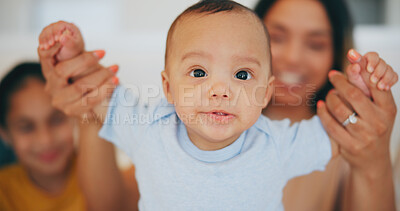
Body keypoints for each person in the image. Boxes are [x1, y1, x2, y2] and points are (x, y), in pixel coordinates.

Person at [36, 0, 397, 210]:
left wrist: (365, 87)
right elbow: (94, 91)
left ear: (265, 85)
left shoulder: (282, 143)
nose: (220, 90)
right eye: (198, 71)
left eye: (241, 74)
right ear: (167, 87)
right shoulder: (152, 126)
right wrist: (70, 56)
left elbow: (350, 128)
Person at [254, 0, 398, 210]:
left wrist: (374, 160)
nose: (292, 57)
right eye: (275, 38)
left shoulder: (349, 149)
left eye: (315, 44)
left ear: (336, 53)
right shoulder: (205, 127)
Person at [0, 62, 85, 211]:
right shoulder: (4, 192)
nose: (46, 140)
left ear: (75, 115)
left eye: (57, 119)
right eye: (26, 127)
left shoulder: (101, 175)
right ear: (5, 134)